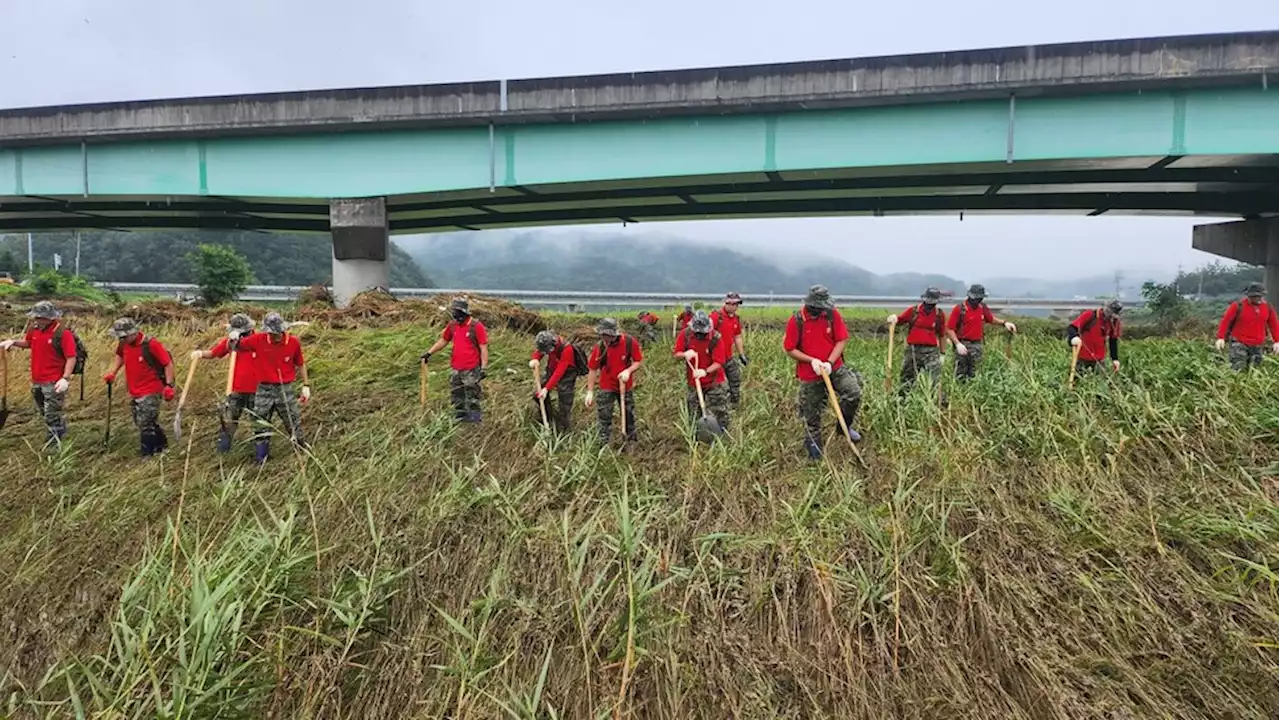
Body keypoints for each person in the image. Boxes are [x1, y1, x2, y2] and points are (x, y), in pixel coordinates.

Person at [783, 285, 862, 460]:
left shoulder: (832, 315)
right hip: (809, 373)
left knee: (853, 393)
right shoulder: (797, 320)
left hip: (834, 367)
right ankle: (813, 443)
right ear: (811, 305)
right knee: (812, 411)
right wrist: (812, 360)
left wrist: (829, 362)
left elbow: (841, 340)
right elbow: (789, 349)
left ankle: (844, 427)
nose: (821, 310)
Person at [236, 312, 310, 463]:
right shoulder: (257, 340)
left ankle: (302, 452)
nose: (274, 336)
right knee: (260, 422)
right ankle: (261, 456)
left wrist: (305, 385)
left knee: (292, 420)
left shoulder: (293, 343)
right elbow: (236, 346)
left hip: (285, 388)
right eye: (271, 333)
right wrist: (234, 337)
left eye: (277, 333)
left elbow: (300, 364)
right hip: (264, 388)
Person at [0, 301, 77, 443]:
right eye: (36, 317)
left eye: (41, 318)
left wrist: (65, 378)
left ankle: (54, 443)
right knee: (43, 411)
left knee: (52, 413)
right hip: (37, 379)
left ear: (50, 318)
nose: (38, 320)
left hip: (54, 380)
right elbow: (29, 343)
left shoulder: (62, 333)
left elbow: (71, 357)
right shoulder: (34, 329)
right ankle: (59, 429)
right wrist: (13, 342)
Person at [102, 317, 175, 457]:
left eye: (123, 336)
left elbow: (167, 363)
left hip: (151, 388)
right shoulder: (124, 343)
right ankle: (162, 446)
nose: (121, 340)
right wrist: (113, 372)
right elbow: (120, 356)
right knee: (141, 421)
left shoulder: (151, 344)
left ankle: (147, 454)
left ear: (133, 333)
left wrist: (169, 385)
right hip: (134, 389)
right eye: (119, 337)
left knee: (145, 422)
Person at [191, 313, 260, 452]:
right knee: (228, 420)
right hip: (236, 389)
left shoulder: (259, 340)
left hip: (257, 390)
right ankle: (223, 452)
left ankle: (260, 454)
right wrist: (200, 354)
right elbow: (214, 353)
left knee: (258, 422)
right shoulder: (231, 342)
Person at [421, 297, 488, 423]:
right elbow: (444, 340)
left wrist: (484, 368)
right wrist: (429, 353)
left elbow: (483, 347)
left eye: (459, 314)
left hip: (471, 368)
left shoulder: (476, 326)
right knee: (457, 393)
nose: (457, 317)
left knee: (472, 394)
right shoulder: (452, 325)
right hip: (456, 367)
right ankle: (460, 416)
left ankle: (474, 419)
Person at [584, 318, 643, 444]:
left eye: (607, 335)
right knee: (604, 416)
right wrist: (590, 391)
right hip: (606, 386)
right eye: (602, 335)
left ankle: (631, 441)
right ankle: (604, 443)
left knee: (628, 415)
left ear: (614, 333)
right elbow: (593, 369)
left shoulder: (629, 342)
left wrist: (628, 370)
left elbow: (638, 361)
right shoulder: (599, 347)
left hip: (625, 385)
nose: (605, 338)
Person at [674, 310, 732, 433]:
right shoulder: (685, 335)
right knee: (694, 414)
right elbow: (676, 354)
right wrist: (684, 354)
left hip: (715, 382)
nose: (701, 335)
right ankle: (696, 436)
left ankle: (721, 436)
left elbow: (719, 362)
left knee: (720, 413)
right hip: (694, 382)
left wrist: (705, 371)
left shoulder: (715, 338)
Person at [946, 284, 1017, 380]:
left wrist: (1004, 323)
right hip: (963, 344)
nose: (978, 300)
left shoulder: (982, 308)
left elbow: (990, 319)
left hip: (977, 345)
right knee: (960, 374)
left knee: (976, 373)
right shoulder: (959, 309)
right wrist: (957, 344)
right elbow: (950, 329)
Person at [890, 287, 947, 396]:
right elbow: (900, 320)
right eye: (928, 303)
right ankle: (902, 401)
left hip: (931, 352)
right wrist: (894, 318)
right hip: (913, 350)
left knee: (935, 379)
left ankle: (939, 403)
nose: (930, 306)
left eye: (933, 303)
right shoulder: (913, 311)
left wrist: (942, 353)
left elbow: (942, 334)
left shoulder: (939, 314)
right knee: (907, 379)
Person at [1215, 282, 1280, 371]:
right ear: (1248, 296)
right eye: (1253, 296)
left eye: (1259, 296)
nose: (1256, 298)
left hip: (1258, 344)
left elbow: (1274, 324)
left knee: (1255, 371)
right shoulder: (1238, 306)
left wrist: (1277, 341)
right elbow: (1225, 321)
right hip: (1239, 343)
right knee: (1238, 369)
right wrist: (1221, 337)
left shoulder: (1267, 307)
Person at [530, 329, 581, 431]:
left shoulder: (567, 349)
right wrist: (535, 358)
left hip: (567, 375)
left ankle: (564, 429)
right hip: (551, 369)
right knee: (537, 395)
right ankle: (548, 417)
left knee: (564, 403)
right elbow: (539, 352)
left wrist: (547, 388)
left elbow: (560, 371)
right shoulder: (546, 343)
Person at [709, 292, 749, 405]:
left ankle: (734, 404)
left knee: (735, 380)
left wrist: (742, 354)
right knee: (720, 384)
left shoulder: (735, 319)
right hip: (716, 358)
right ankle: (720, 406)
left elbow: (737, 337)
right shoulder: (716, 317)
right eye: (733, 304)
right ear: (727, 303)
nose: (735, 307)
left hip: (729, 357)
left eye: (737, 304)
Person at [1067, 299, 1123, 374]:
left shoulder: (1114, 321)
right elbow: (1072, 327)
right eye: (1110, 313)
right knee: (1078, 381)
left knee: (1100, 382)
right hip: (1082, 357)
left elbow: (1113, 340)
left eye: (1113, 315)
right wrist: (1074, 337)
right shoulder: (1090, 315)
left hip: (1099, 360)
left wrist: (1115, 359)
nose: (1111, 317)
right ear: (1105, 309)